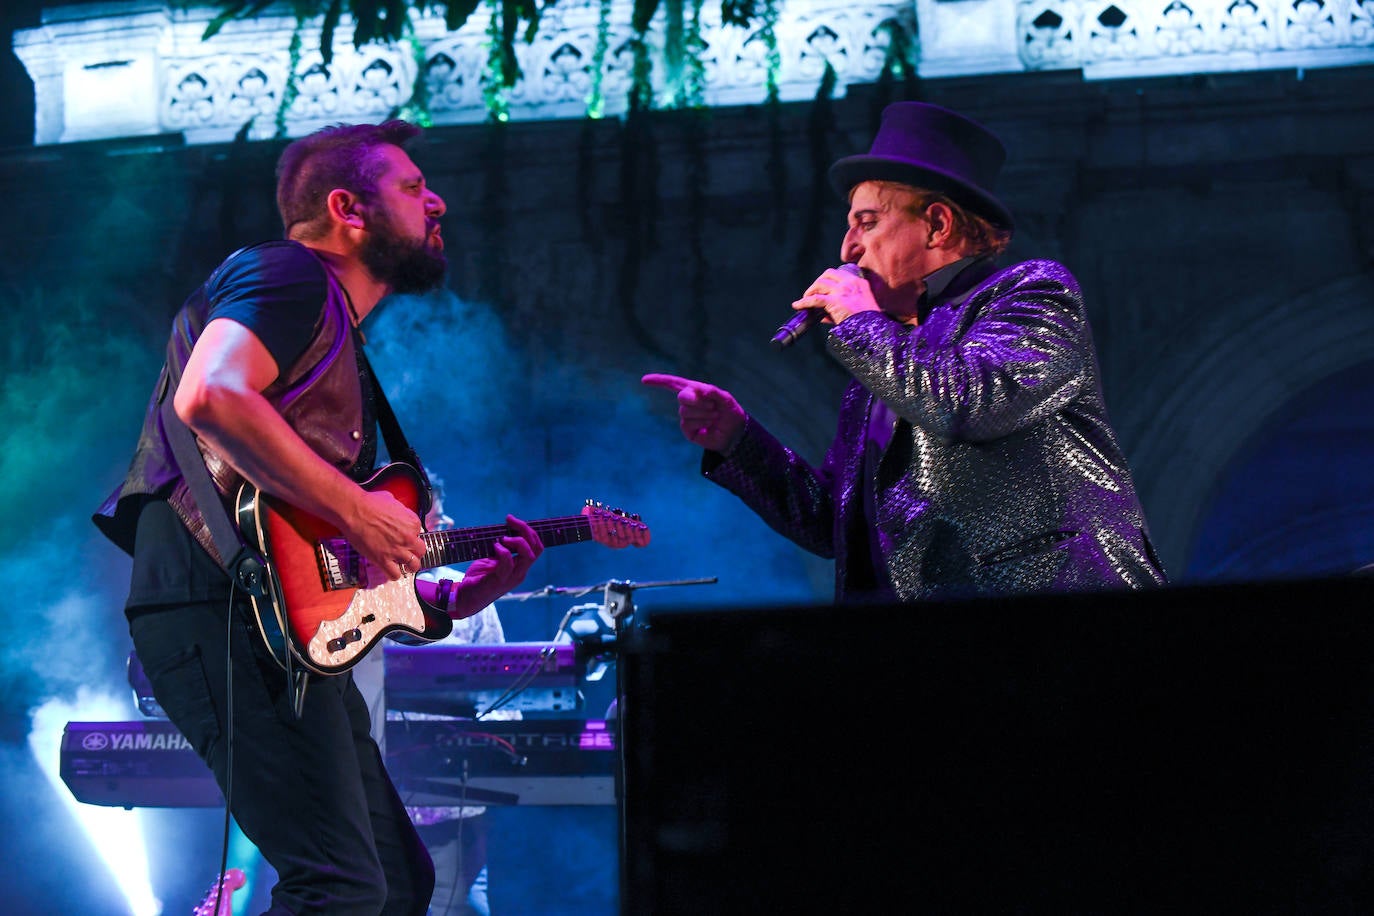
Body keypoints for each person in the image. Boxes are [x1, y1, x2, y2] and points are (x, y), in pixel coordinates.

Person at [93, 120, 547, 915]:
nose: (436, 201)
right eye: (411, 187)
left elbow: (316, 559)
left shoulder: (329, 329)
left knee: (396, 884)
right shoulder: (290, 275)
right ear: (348, 208)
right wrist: (359, 508)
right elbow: (210, 395)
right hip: (221, 612)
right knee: (338, 886)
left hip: (276, 629)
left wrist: (447, 601)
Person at [643, 101, 1167, 603]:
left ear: (937, 224)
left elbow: (969, 401)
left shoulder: (1029, 293)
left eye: (867, 222)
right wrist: (739, 440)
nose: (847, 248)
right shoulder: (883, 359)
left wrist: (862, 322)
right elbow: (833, 524)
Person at [354, 472, 511, 916]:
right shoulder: (354, 598)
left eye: (442, 523)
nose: (440, 535)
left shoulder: (468, 594)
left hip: (453, 806)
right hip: (374, 796)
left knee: (463, 906)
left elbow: (503, 687)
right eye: (430, 526)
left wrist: (497, 744)